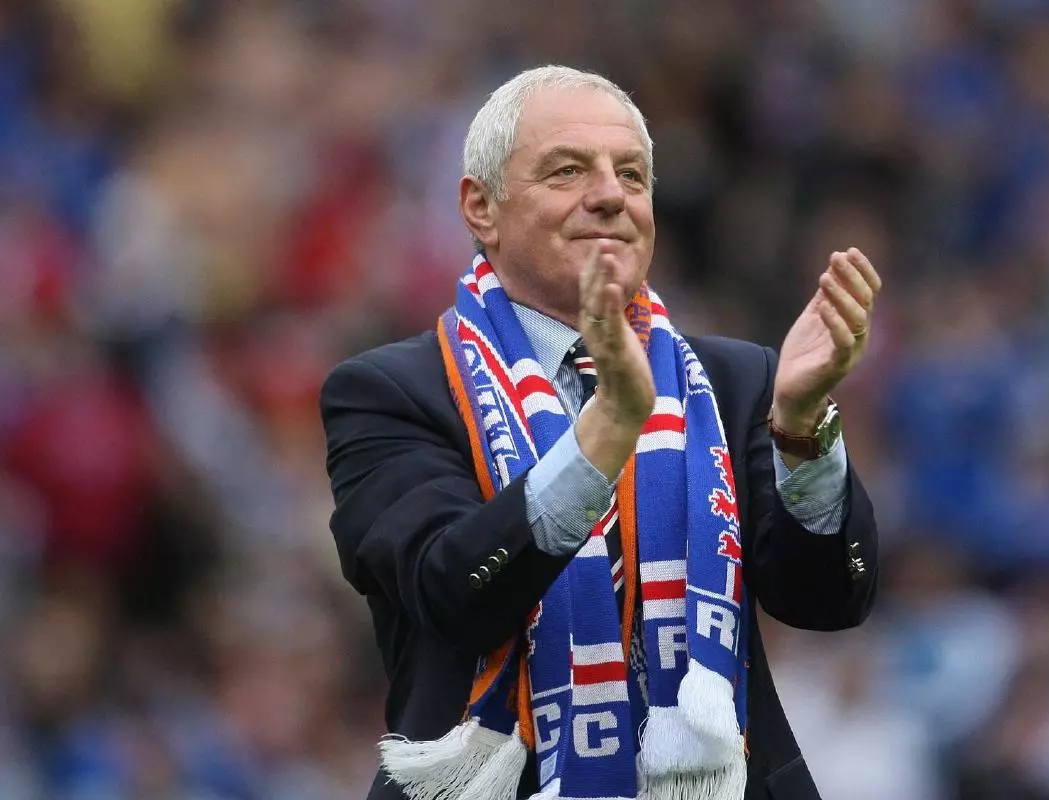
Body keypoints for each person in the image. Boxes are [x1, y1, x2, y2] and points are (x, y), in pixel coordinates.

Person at [320, 65, 881, 800]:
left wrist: (802, 433)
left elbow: (828, 602)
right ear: (480, 208)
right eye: (566, 170)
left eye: (632, 174)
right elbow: (453, 592)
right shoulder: (389, 392)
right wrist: (602, 436)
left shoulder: (739, 382)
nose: (611, 194)